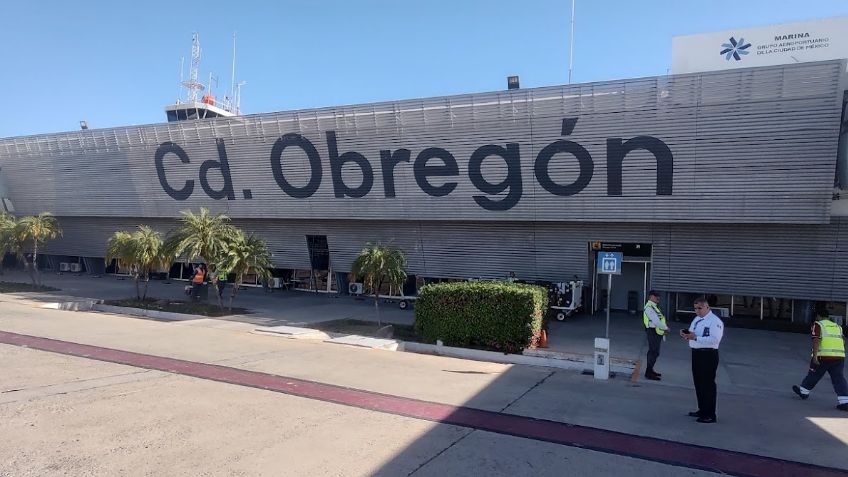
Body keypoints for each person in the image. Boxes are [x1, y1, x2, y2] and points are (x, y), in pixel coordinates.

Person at [792, 302, 848, 411]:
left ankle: (803, 392)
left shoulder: (818, 325)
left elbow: (816, 340)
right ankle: (845, 402)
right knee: (839, 379)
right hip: (839, 357)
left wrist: (815, 356)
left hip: (824, 357)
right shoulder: (837, 326)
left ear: (818, 316)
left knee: (813, 374)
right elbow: (843, 341)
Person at [680, 297, 724, 423]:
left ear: (707, 307)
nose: (697, 311)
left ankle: (710, 413)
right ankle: (702, 409)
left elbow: (715, 339)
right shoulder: (697, 319)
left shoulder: (714, 321)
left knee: (708, 384)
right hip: (697, 353)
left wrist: (696, 338)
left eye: (700, 308)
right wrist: (687, 334)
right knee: (698, 383)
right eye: (695, 308)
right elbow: (694, 333)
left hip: (708, 354)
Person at [643, 290, 669, 380]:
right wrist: (666, 328)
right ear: (650, 297)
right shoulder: (649, 307)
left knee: (655, 352)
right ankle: (648, 372)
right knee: (653, 352)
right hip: (652, 331)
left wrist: (663, 329)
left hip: (657, 332)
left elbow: (660, 319)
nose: (658, 297)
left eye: (658, 296)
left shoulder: (655, 307)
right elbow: (656, 321)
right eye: (655, 296)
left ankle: (650, 370)